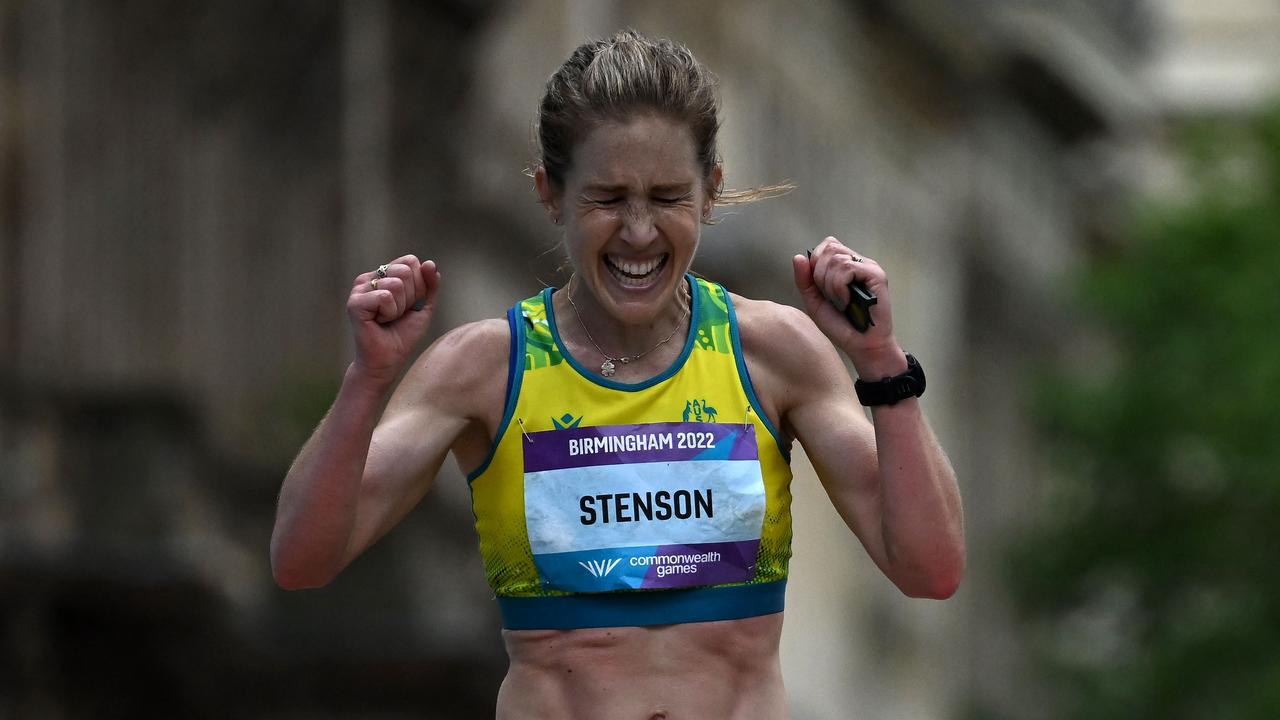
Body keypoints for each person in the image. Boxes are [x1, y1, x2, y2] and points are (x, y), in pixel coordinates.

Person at [271, 29, 964, 720]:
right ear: (551, 194)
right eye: (607, 199)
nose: (638, 232)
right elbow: (302, 560)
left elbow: (930, 569)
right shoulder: (487, 368)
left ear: (711, 192)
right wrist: (368, 380)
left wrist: (881, 363)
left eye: (667, 197)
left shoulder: (772, 353)